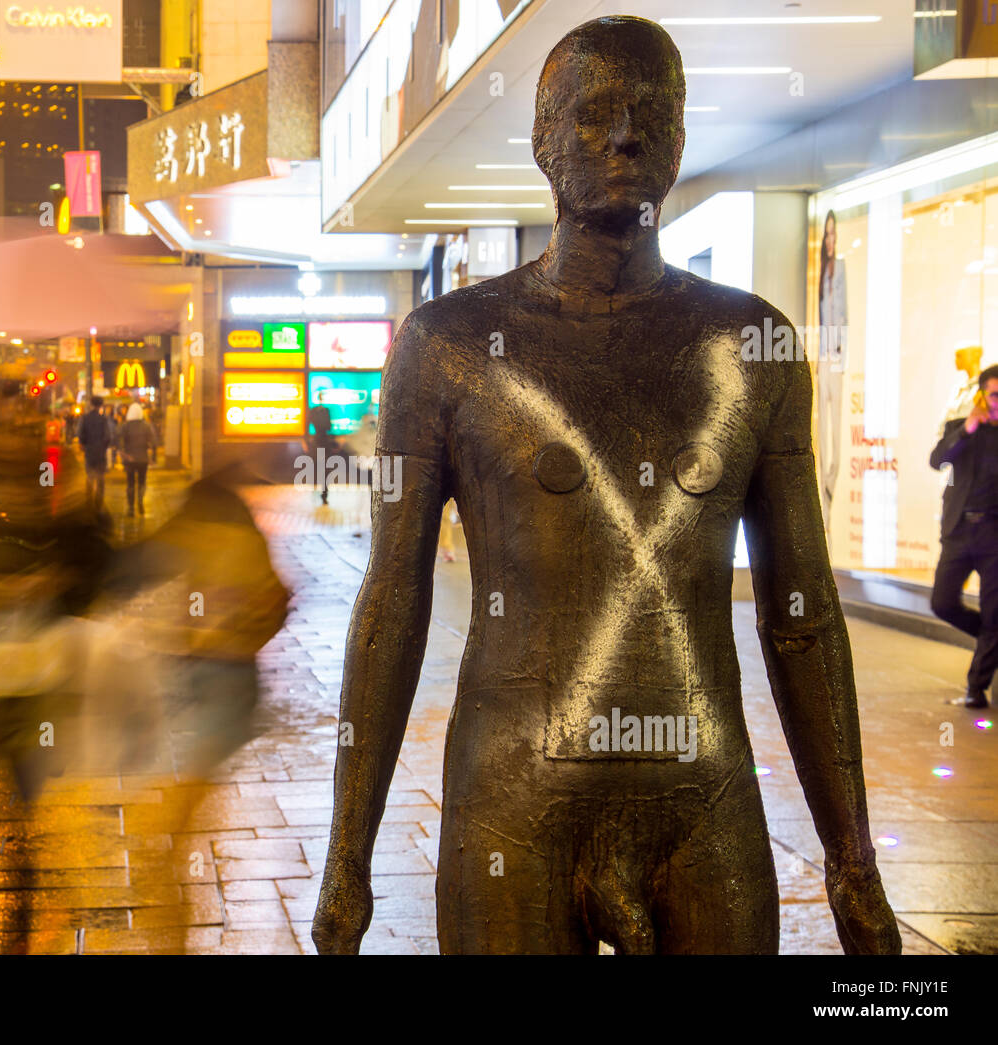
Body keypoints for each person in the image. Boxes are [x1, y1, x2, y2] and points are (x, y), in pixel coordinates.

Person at [312, 15, 898, 956]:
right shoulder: (448, 346)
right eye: (594, 115)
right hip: (514, 803)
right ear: (543, 140)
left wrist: (853, 859)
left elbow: (804, 616)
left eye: (651, 113)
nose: (625, 135)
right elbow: (392, 602)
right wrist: (349, 856)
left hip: (701, 797)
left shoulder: (754, 347)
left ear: (679, 140)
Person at [929, 364, 998, 708]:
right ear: (982, 395)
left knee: (995, 609)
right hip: (958, 531)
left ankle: (976, 688)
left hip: (993, 536)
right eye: (995, 395)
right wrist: (967, 430)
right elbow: (937, 460)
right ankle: (993, 639)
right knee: (942, 603)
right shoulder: (961, 428)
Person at [817, 210, 847, 536]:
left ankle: (831, 483)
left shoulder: (841, 271)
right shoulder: (822, 273)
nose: (830, 240)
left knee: (836, 429)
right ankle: (824, 511)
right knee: (823, 431)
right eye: (826, 235)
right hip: (824, 358)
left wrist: (843, 356)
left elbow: (844, 314)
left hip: (836, 358)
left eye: (833, 234)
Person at [117, 402, 158, 517]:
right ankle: (140, 501)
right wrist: (149, 451)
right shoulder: (146, 426)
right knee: (141, 482)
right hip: (142, 459)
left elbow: (119, 441)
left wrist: (123, 454)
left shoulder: (125, 426)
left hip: (129, 460)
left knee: (130, 483)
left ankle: (130, 508)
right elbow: (153, 442)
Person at [77, 394, 113, 509]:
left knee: (89, 478)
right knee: (100, 479)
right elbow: (108, 437)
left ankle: (88, 502)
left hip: (89, 452)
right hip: (100, 453)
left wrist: (83, 445)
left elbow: (80, 434)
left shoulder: (85, 418)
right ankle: (99, 504)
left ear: (91, 404)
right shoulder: (103, 419)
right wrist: (103, 447)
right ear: (101, 405)